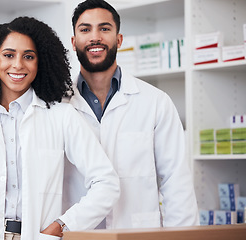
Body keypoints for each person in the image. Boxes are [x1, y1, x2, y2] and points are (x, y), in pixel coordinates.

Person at [0, 16, 120, 240]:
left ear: (40, 62)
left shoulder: (62, 117)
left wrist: (61, 227)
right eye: (8, 55)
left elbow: (106, 183)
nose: (18, 64)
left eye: (28, 56)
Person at [63, 0, 199, 229]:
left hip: (137, 230)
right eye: (85, 29)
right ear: (74, 42)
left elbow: (176, 182)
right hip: (76, 232)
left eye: (104, 29)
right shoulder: (58, 104)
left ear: (119, 39)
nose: (95, 37)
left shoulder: (156, 102)